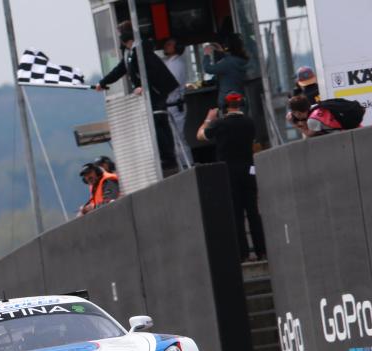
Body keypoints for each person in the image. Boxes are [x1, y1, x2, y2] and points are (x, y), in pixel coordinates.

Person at [96, 21, 180, 174]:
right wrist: (103, 82)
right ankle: (166, 156)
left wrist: (143, 86)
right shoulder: (130, 53)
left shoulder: (142, 51)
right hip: (152, 92)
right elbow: (120, 69)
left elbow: (152, 71)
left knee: (158, 121)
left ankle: (168, 158)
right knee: (157, 122)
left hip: (157, 91)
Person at [197, 92, 266, 262]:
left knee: (236, 214)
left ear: (224, 107)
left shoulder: (220, 124)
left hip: (228, 173)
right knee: (253, 212)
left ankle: (243, 254)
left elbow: (200, 136)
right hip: (248, 171)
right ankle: (261, 251)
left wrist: (208, 119)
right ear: (241, 104)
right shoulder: (249, 122)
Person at [163, 37, 193, 165]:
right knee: (174, 138)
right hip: (170, 104)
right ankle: (182, 164)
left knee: (179, 137)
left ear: (177, 48)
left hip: (175, 104)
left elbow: (171, 84)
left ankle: (187, 164)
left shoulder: (177, 64)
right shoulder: (169, 62)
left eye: (169, 44)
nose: (166, 46)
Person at [203, 33, 249, 110]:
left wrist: (206, 54)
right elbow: (231, 63)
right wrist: (222, 52)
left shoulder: (228, 63)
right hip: (241, 100)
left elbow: (208, 69)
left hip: (228, 102)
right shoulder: (242, 60)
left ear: (228, 46)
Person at [288, 95, 365, 137]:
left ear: (298, 113)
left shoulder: (312, 120)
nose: (293, 114)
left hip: (349, 135)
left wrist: (294, 124)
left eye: (294, 112)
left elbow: (309, 134)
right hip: (356, 128)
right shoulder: (317, 106)